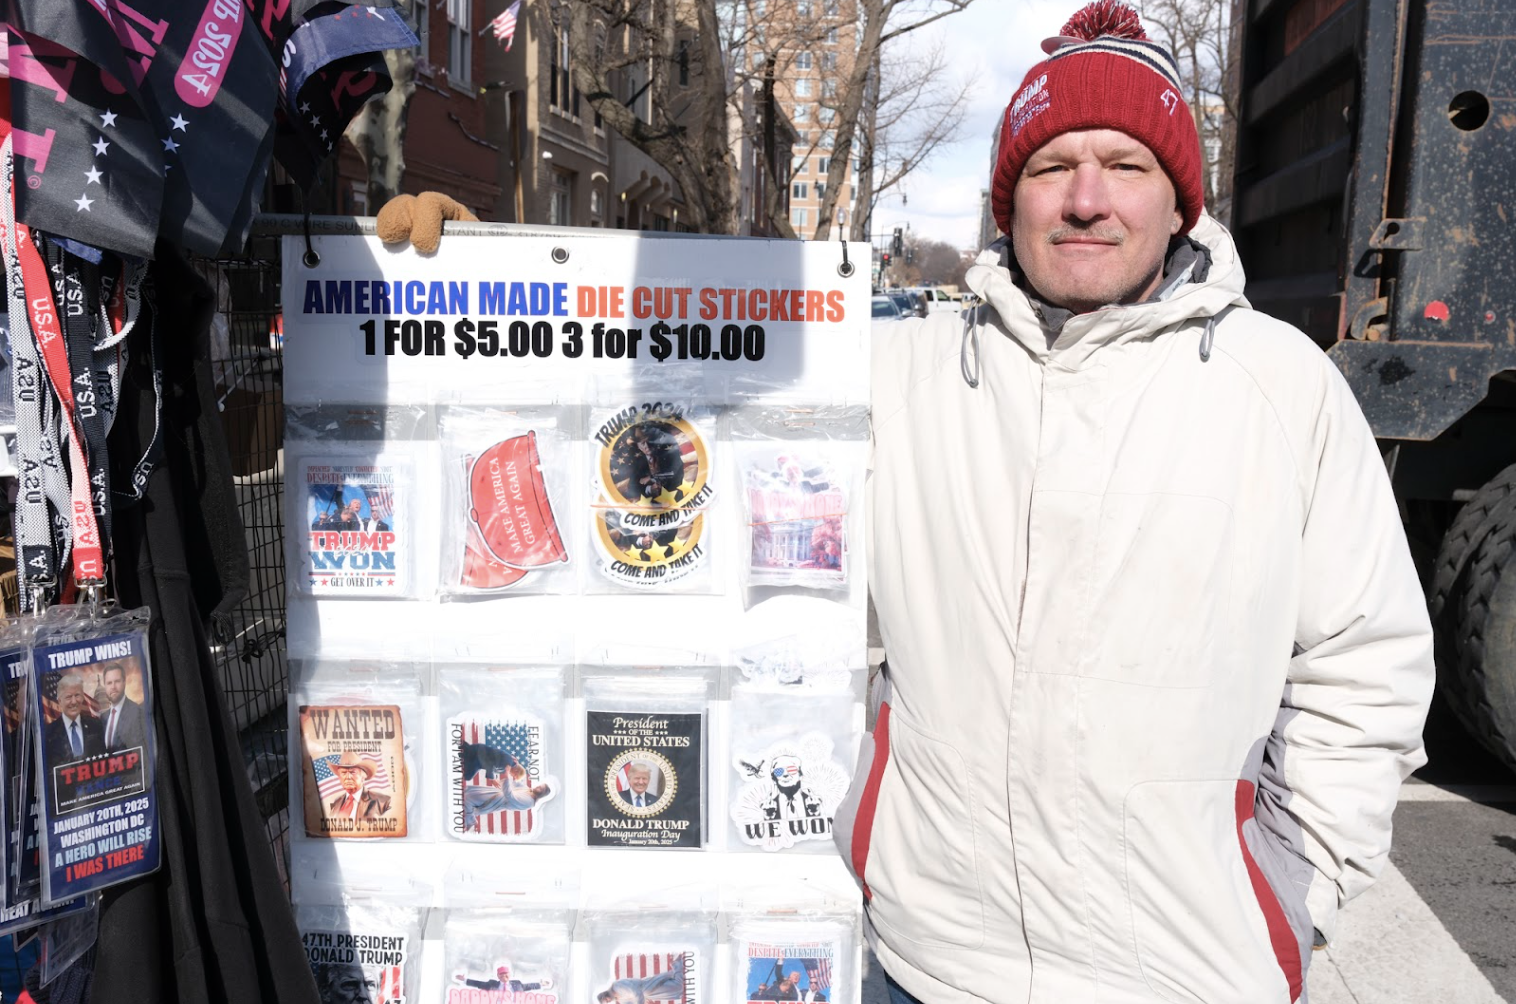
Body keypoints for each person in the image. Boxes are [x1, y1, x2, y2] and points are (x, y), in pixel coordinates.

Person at [832, 2, 1435, 1003]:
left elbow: (1363, 662)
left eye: (1124, 163)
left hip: (1186, 970)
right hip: (922, 958)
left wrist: (1291, 887)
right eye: (1048, 166)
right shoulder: (900, 376)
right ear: (1005, 199)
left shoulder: (1278, 387)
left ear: (1177, 200)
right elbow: (806, 613)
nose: (1084, 199)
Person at [44, 674, 104, 764]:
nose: (74, 701)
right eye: (68, 697)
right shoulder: (48, 734)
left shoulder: (97, 726)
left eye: (77, 695)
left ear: (83, 697)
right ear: (60, 701)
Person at [461, 775, 552, 830]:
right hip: (494, 793)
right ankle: (469, 818)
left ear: (542, 794)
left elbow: (509, 795)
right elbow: (516, 783)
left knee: (468, 799)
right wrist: (514, 769)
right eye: (540, 786)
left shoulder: (529, 802)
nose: (538, 787)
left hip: (495, 802)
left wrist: (506, 776)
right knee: (467, 793)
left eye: (541, 789)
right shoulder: (528, 790)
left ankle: (471, 821)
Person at [595, 953, 686, 1003]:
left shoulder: (617, 986)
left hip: (647, 987)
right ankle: (678, 967)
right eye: (607, 1002)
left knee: (676, 987)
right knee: (675, 991)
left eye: (605, 1000)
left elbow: (635, 990)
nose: (608, 1001)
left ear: (604, 994)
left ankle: (677, 964)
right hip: (648, 994)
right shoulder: (618, 998)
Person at [99, 661, 148, 753]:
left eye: (117, 681)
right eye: (109, 683)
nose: (113, 686)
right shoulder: (103, 718)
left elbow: (146, 753)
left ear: (124, 682)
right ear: (105, 686)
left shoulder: (138, 712)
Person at [325, 751, 391, 819]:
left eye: (353, 772)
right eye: (343, 773)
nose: (348, 777)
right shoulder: (336, 802)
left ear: (363, 776)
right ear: (339, 777)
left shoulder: (382, 802)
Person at [761, 755, 825, 822]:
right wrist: (768, 817)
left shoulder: (815, 804)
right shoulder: (769, 808)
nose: (785, 774)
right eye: (779, 771)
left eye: (791, 769)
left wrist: (816, 813)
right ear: (773, 779)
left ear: (800, 775)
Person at [459, 963, 550, 993]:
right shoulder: (492, 984)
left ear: (509, 974)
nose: (504, 976)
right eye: (501, 974)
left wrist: (541, 984)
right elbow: (479, 984)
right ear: (498, 976)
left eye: (505, 974)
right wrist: (465, 980)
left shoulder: (517, 984)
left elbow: (528, 986)